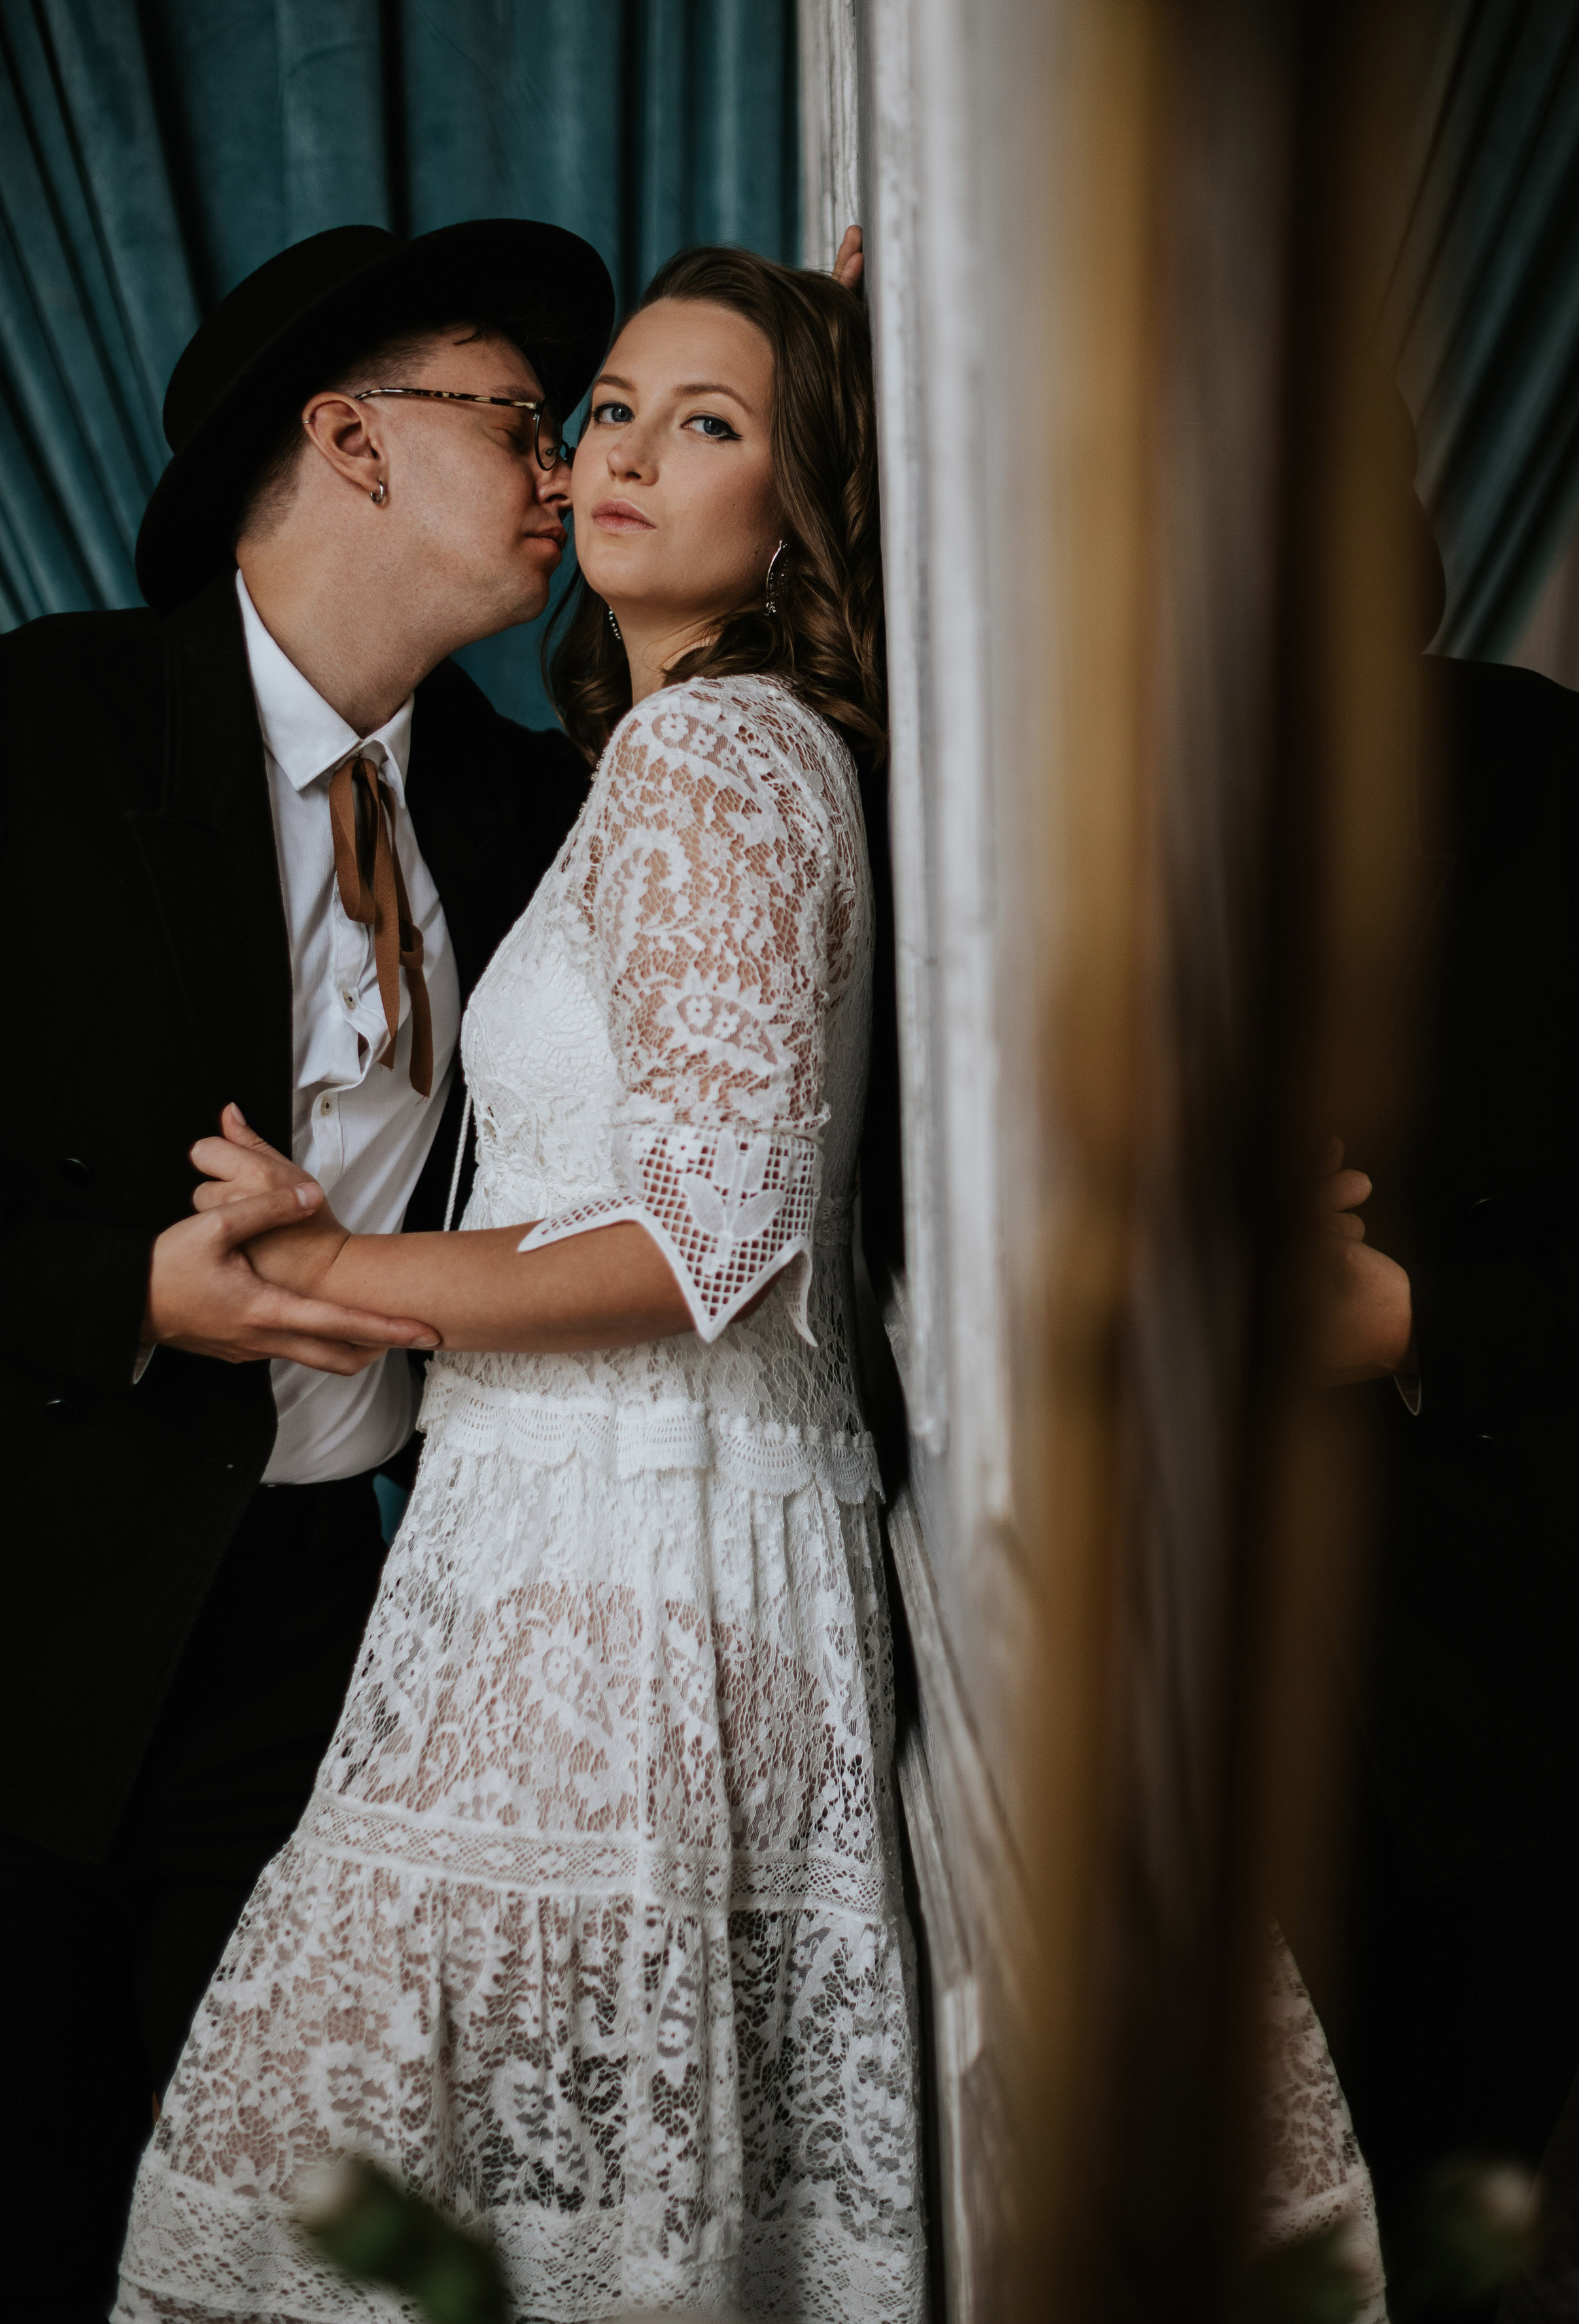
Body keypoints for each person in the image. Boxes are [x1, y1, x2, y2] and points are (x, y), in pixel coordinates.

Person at [113, 243, 929, 2324]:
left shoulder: (705, 762)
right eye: (587, 413)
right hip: (481, 1555)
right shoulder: (619, 764)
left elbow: (711, 1238)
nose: (599, 460)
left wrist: (334, 1266)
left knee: (381, 2208)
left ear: (808, 496)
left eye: (703, 423)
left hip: (614, 1567)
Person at [0, 216, 620, 2323]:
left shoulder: (530, 807)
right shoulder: (45, 731)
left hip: (327, 1628)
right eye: (520, 421)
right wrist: (129, 1293)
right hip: (37, 1592)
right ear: (351, 440)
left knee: (252, 2240)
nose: (563, 470)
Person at [1304, 398, 1579, 2252]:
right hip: (1138, 1626)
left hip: (1502, 1643)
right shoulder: (1052, 824)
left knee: (1429, 2213)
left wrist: (1420, 1320)